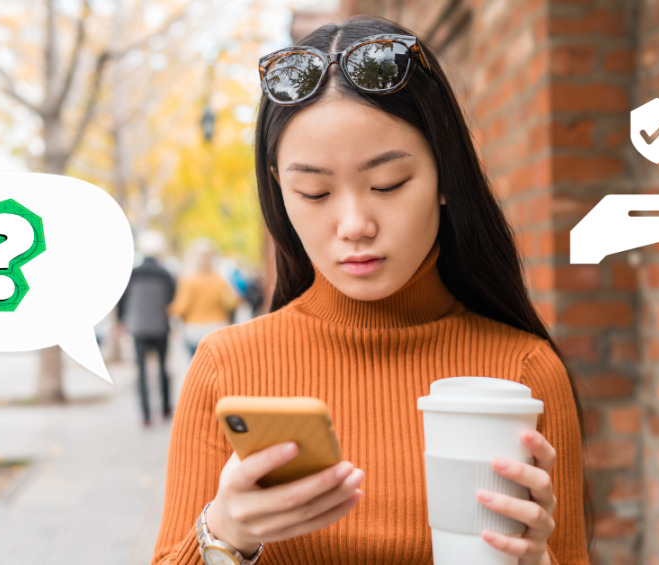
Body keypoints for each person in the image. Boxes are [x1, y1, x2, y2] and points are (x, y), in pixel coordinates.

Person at [152, 16, 591, 565]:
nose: (354, 223)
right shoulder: (227, 367)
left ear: (446, 178)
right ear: (279, 192)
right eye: (314, 192)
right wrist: (223, 535)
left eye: (388, 184)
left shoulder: (523, 372)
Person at [118, 230, 176, 426]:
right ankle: (166, 408)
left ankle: (145, 415)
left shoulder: (132, 273)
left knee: (141, 371)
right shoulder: (165, 273)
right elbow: (171, 298)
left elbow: (122, 301)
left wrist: (122, 321)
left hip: (139, 328)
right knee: (162, 368)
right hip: (160, 326)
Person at [168, 239, 240, 359]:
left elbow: (181, 308)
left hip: (194, 330)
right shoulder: (220, 280)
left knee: (195, 368)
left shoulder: (189, 281)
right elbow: (231, 303)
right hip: (218, 329)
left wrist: (170, 310)